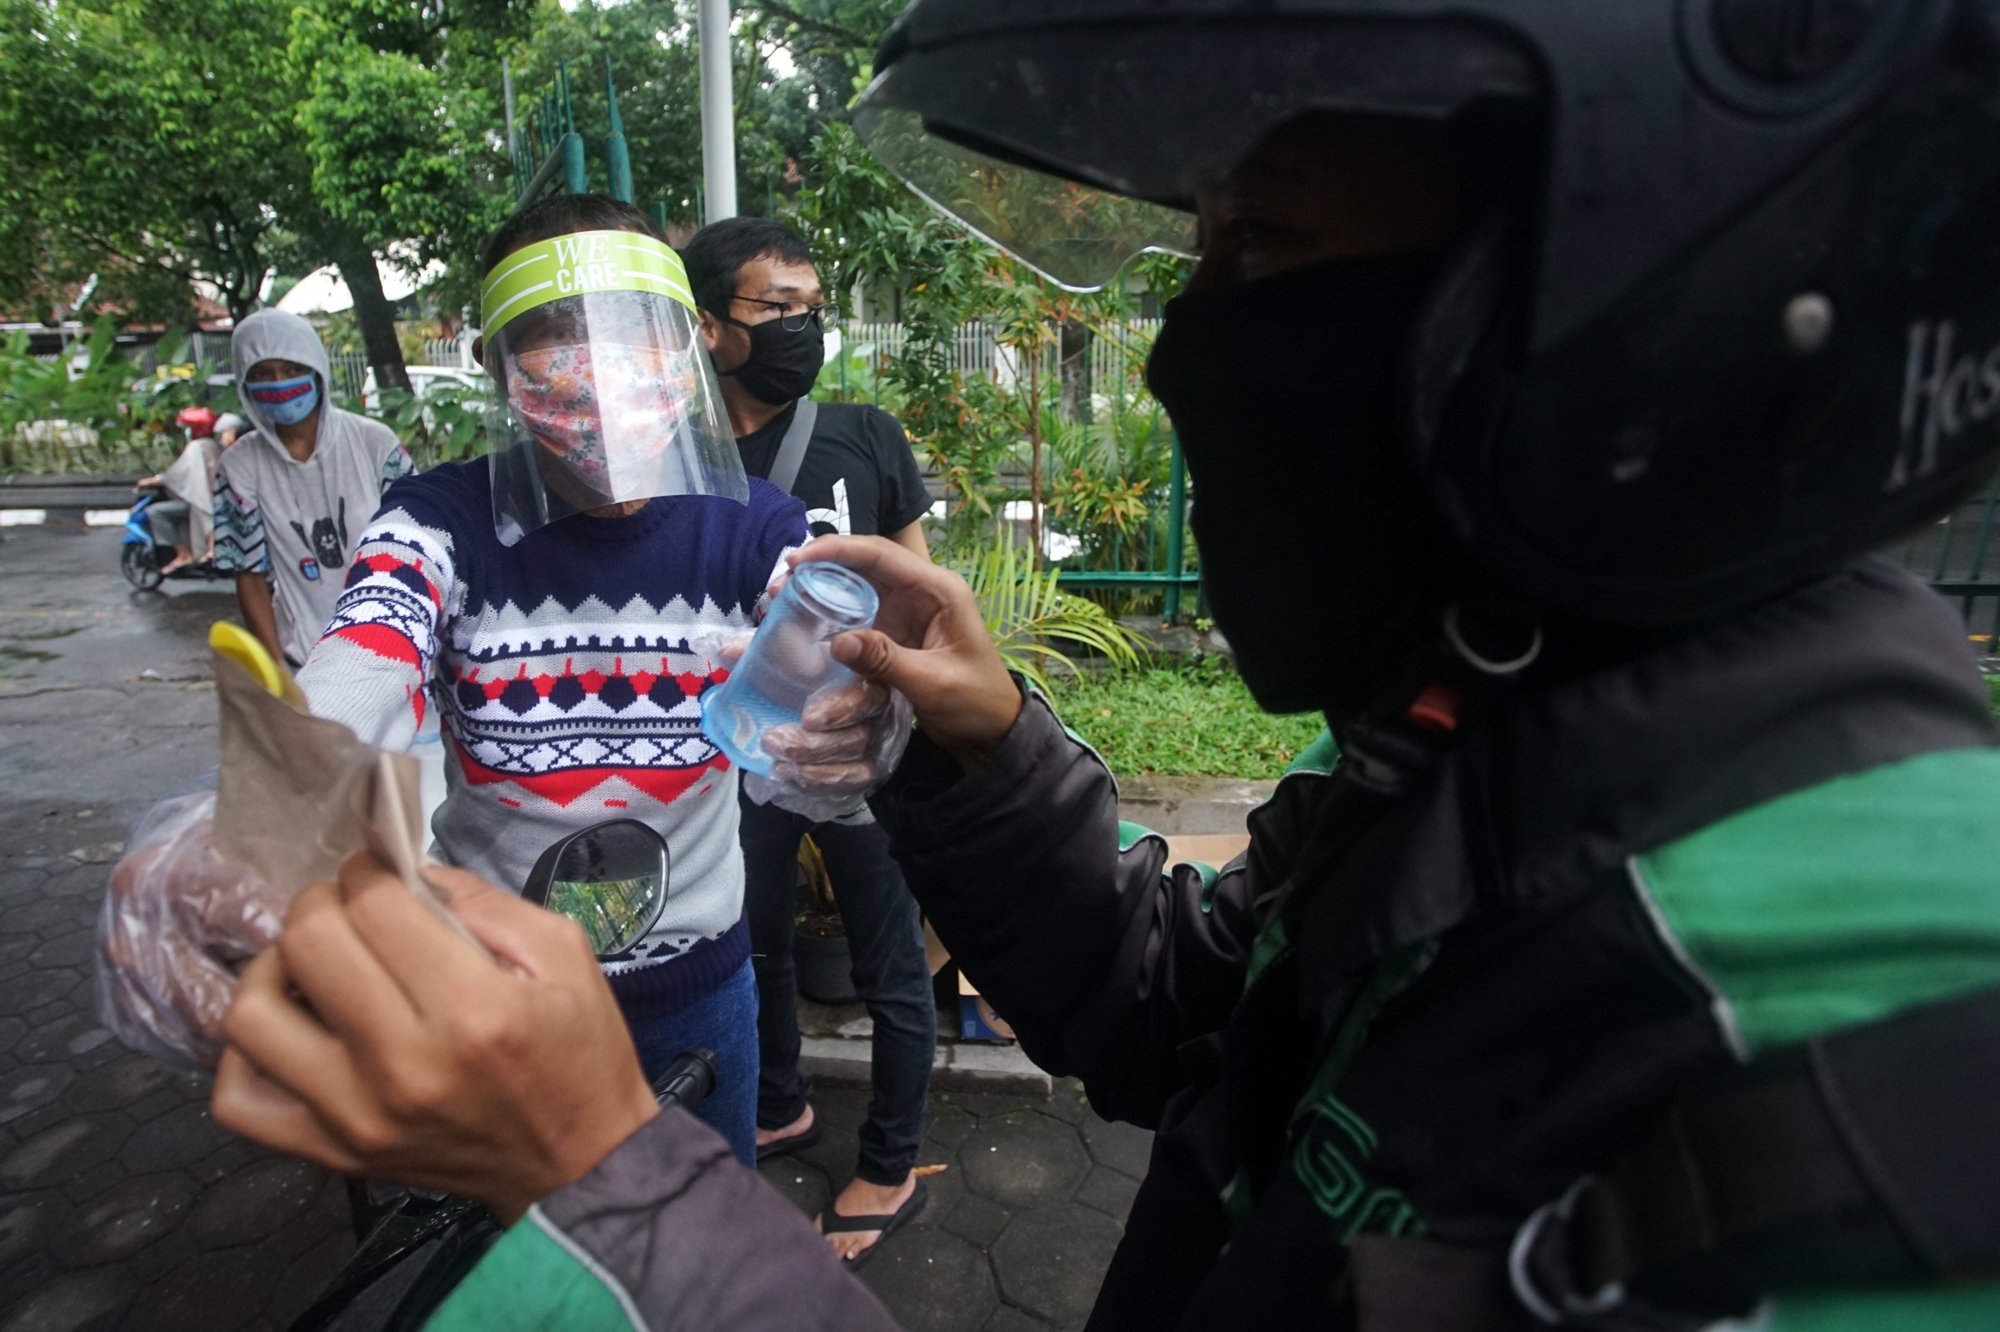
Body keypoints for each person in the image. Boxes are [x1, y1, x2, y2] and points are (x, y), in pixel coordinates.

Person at [211, 4, 2000, 1328]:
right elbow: (1179, 1006)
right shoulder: (1465, 743)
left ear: (1653, 299)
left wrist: (613, 1176)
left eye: (1265, 243)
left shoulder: (1882, 1030)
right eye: (1201, 250)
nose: (1181, 352)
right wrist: (986, 751)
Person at [293, 192, 809, 1165]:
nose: (602, 366)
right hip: (492, 992)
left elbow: (824, 660)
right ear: (495, 365)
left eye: (634, 327)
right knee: (517, 1246)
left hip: (696, 993)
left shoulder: (754, 528)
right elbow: (364, 653)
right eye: (556, 333)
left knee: (707, 1238)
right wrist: (275, 783)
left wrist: (840, 682)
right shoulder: (438, 521)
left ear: (690, 344)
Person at [682, 215, 937, 1263]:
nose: (803, 326)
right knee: (756, 943)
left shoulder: (866, 434)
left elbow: (922, 594)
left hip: (856, 754)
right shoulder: (680, 456)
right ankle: (779, 1102)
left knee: (888, 964)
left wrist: (900, 707)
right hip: (742, 751)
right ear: (709, 325)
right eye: (777, 306)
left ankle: (891, 1162)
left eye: (812, 306)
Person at [213, 309, 411, 667]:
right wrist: (278, 675)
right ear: (244, 382)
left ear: (316, 369)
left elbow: (421, 543)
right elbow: (249, 575)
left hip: (394, 650)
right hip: (304, 660)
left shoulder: (374, 444)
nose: (278, 383)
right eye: (262, 373)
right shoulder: (239, 465)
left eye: (292, 369)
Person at [137, 405, 221, 572]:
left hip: (202, 502)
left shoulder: (196, 447)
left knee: (155, 512)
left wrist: (154, 481)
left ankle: (183, 554)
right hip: (216, 499)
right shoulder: (213, 445)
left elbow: (179, 474)